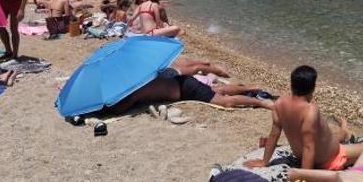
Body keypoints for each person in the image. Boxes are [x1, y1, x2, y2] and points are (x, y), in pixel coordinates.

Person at [246, 66, 363, 171]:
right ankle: (345, 133)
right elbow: (309, 147)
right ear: (313, 87)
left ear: (291, 85)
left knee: (332, 135)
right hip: (330, 158)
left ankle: (344, 132)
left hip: (312, 152)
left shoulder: (279, 104)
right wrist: (304, 178)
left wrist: (264, 161)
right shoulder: (310, 111)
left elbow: (273, 135)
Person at [109, 72, 274, 114]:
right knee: (218, 90)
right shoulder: (139, 77)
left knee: (224, 101)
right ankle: (251, 88)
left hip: (185, 89)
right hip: (182, 83)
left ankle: (261, 102)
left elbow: (119, 109)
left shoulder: (134, 89)